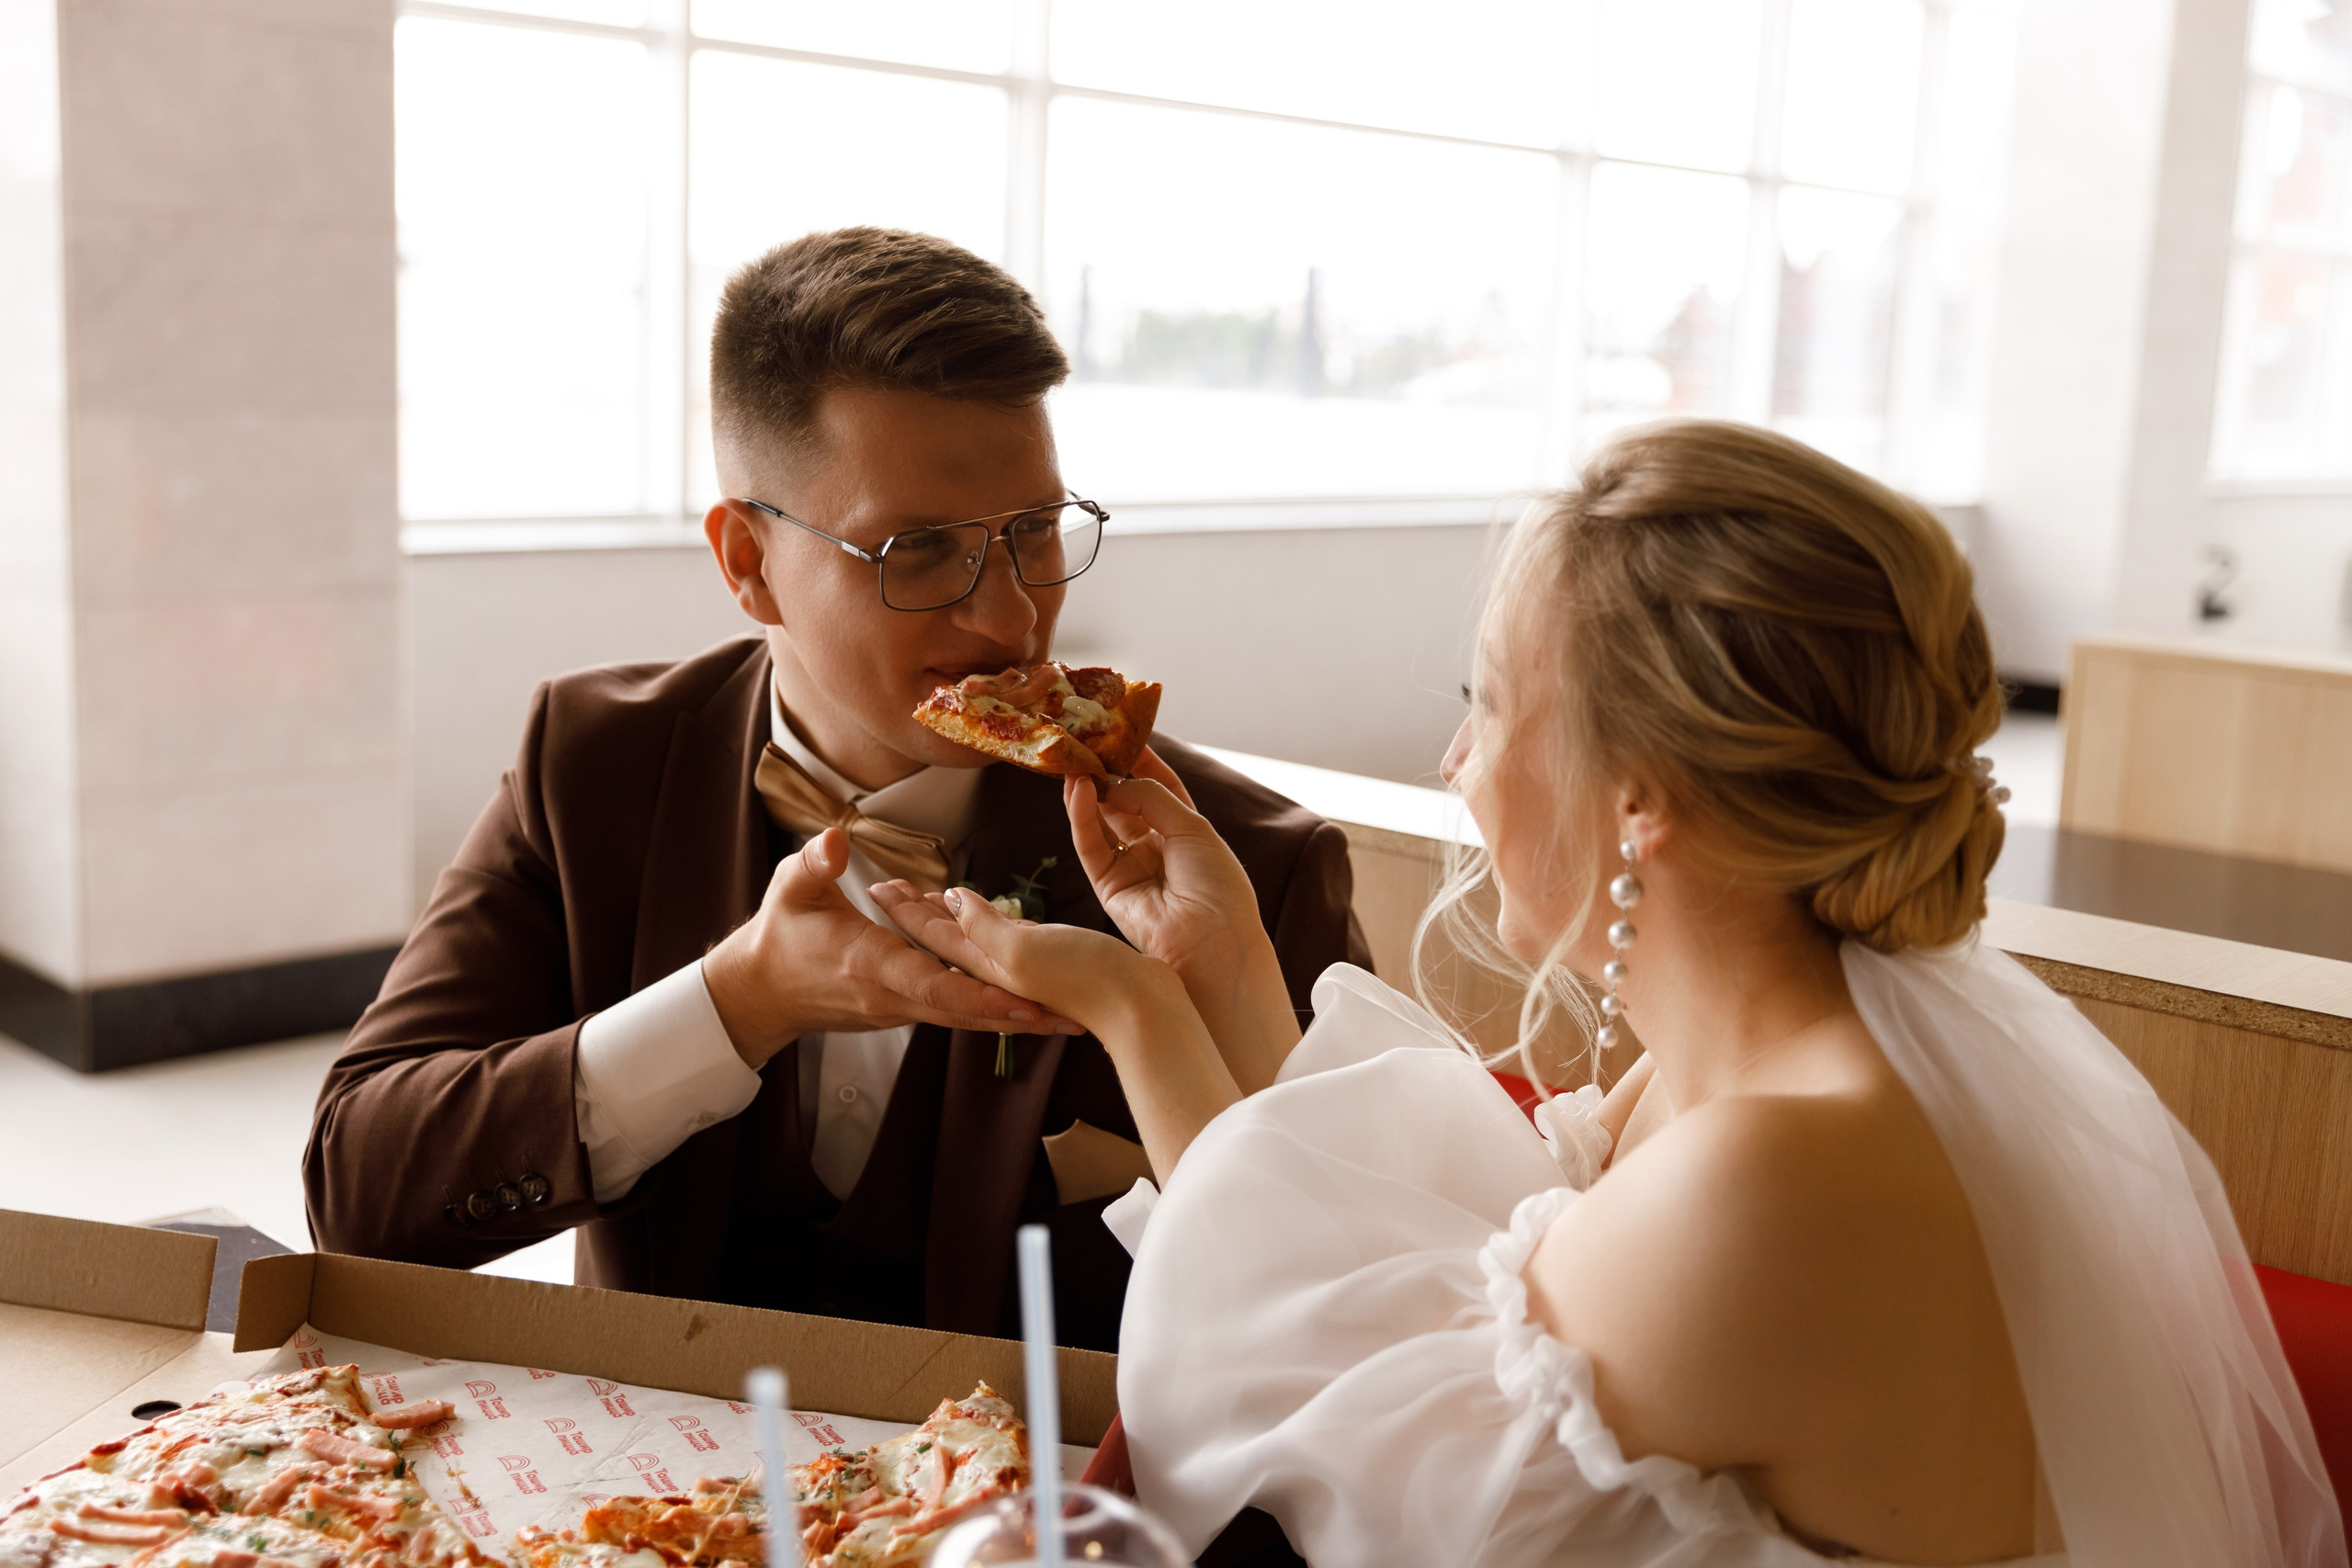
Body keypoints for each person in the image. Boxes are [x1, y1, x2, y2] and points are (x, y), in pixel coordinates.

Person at [869, 421, 2347, 1566]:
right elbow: (1383, 1273)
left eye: (1487, 704)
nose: (1459, 764)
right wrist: (1221, 960)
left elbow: (1346, 1447)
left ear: (1639, 793)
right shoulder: (1738, 1072)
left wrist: (1133, 1011)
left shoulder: (1778, 1175)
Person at [302, 227, 1369, 1351]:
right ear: (747, 565)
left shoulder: (1249, 870)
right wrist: (734, 1005)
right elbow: (362, 1191)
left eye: (1036, 533)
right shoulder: (589, 761)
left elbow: (1341, 1339)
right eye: (919, 552)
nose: (1011, 618)